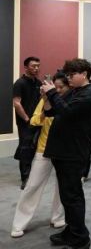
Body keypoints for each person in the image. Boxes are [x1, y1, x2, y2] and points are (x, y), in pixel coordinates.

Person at [42, 58, 91, 249]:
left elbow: (66, 112)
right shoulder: (75, 91)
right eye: (67, 75)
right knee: (67, 196)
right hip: (63, 150)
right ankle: (72, 230)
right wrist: (47, 97)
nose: (69, 78)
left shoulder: (89, 94)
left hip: (73, 152)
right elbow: (51, 112)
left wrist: (52, 92)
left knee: (72, 197)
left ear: (84, 74)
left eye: (72, 74)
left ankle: (80, 238)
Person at [11, 72, 68, 238]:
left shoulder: (72, 101)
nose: (58, 90)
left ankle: (58, 218)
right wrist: (45, 108)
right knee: (32, 186)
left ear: (68, 87)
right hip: (44, 149)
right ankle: (19, 223)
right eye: (55, 87)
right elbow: (34, 120)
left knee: (63, 186)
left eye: (61, 87)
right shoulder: (45, 99)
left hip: (65, 151)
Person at [12, 56, 42, 189]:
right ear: (26, 67)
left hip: (37, 121)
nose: (36, 68)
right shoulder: (20, 83)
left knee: (34, 148)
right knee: (25, 149)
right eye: (33, 66)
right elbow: (16, 103)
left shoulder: (38, 83)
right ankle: (25, 178)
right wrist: (26, 119)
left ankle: (32, 174)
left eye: (38, 66)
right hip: (25, 122)